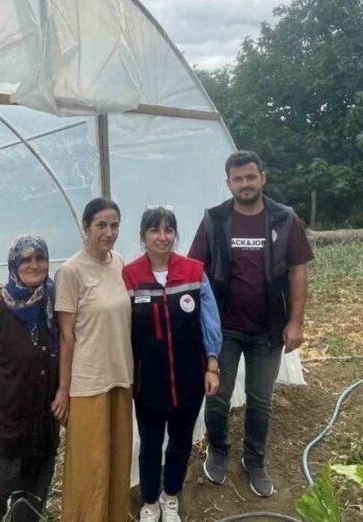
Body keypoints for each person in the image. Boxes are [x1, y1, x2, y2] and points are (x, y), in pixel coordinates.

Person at [188, 151, 314, 497]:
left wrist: (296, 322)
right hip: (224, 328)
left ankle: (254, 460)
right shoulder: (214, 220)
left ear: (263, 178)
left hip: (268, 329)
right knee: (217, 396)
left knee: (261, 399)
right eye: (238, 179)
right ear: (228, 183)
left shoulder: (285, 219)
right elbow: (193, 270)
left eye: (250, 177)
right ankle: (218, 450)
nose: (245, 184)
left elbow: (297, 270)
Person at [123, 207, 222, 522]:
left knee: (180, 442)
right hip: (147, 380)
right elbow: (120, 329)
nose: (162, 237)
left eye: (168, 230)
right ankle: (150, 502)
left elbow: (210, 322)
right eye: (154, 230)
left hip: (189, 378)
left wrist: (212, 364)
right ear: (143, 236)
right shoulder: (130, 276)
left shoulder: (194, 272)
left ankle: (170, 497)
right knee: (150, 445)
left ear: (175, 234)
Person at [0, 235, 59, 522]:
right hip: (2, 427)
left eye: (40, 258)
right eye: (26, 259)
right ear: (14, 265)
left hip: (40, 426)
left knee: (29, 504)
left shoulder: (54, 306)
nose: (34, 265)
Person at [52, 197, 133, 521]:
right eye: (101, 225)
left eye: (114, 225)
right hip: (87, 383)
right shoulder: (71, 271)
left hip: (121, 376)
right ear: (85, 227)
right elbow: (66, 337)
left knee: (117, 461)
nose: (109, 232)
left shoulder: (120, 263)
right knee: (89, 468)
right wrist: (63, 388)